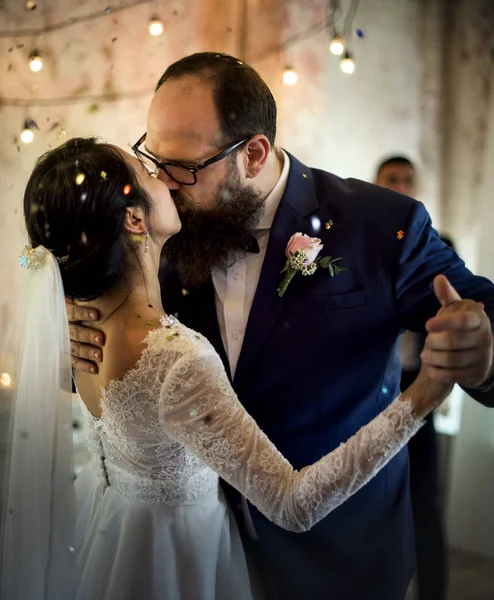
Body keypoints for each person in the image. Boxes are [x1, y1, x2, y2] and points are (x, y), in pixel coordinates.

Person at [67, 53, 494, 600]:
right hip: (202, 558)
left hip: (339, 558)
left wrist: (484, 352)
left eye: (185, 167)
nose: (164, 183)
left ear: (254, 153)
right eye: (154, 158)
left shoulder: (383, 227)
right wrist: (75, 338)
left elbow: (481, 310)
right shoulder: (163, 228)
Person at [0, 138, 456, 600]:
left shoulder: (85, 327)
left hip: (113, 539)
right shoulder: (174, 358)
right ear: (135, 219)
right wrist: (422, 397)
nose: (162, 176)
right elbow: (292, 504)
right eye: (145, 172)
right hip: (179, 562)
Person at [375, 155, 455, 600]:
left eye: (408, 180)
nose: (401, 187)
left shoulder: (438, 246)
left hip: (417, 387)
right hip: (370, 398)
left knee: (425, 505)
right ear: (376, 185)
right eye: (392, 180)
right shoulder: (359, 244)